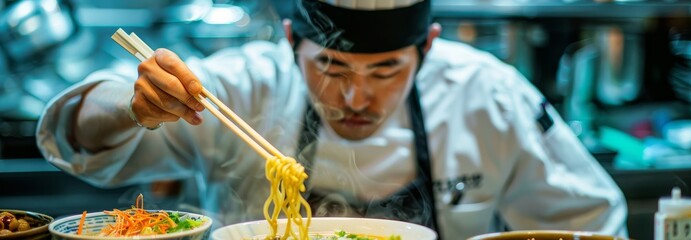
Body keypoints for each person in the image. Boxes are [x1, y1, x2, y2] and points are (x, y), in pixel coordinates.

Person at [36, 0, 628, 239]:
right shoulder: (240, 85)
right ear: (291, 41)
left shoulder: (489, 96)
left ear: (429, 47)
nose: (355, 99)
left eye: (387, 70)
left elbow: (591, 222)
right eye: (332, 67)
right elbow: (77, 134)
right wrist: (133, 103)